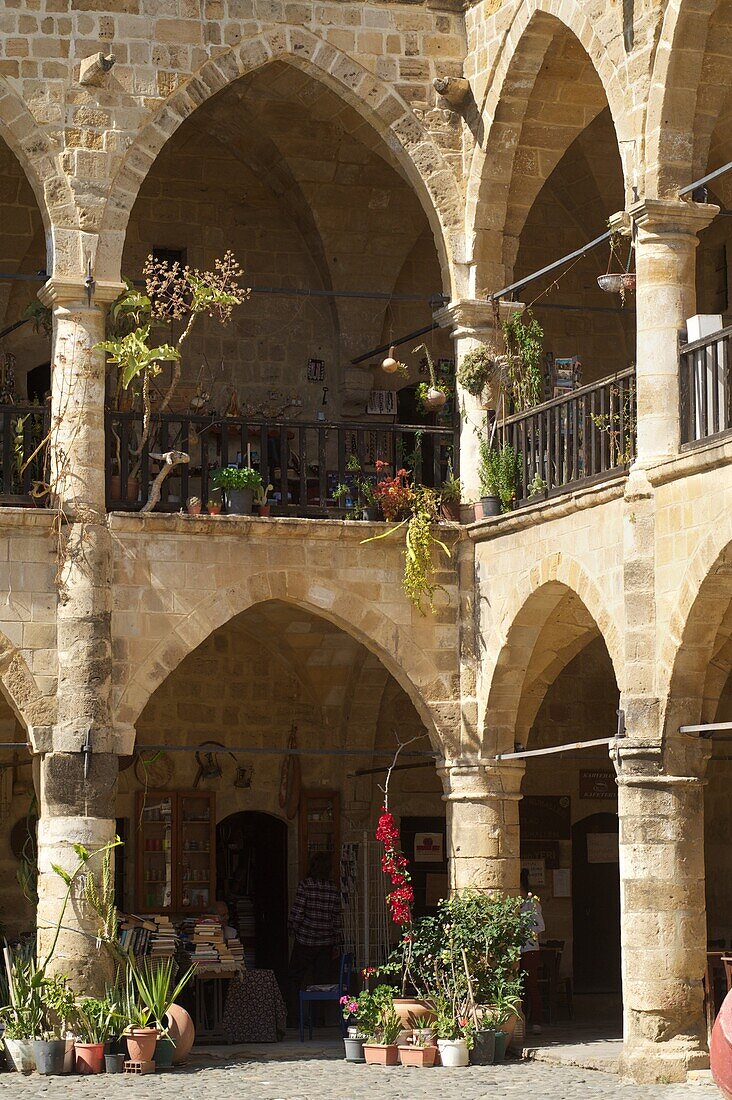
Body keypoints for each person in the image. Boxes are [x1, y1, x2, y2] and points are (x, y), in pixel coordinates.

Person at [287, 852, 342, 1025]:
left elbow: (298, 912)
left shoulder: (306, 885)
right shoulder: (333, 889)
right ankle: (319, 1019)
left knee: (294, 979)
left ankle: (294, 1018)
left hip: (305, 940)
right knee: (321, 982)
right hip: (325, 942)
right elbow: (336, 918)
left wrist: (292, 928)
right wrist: (336, 941)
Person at [520, 868, 546, 1034]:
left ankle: (537, 1021)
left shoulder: (532, 904)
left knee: (531, 985)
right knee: (517, 987)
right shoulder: (515, 903)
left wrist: (524, 931)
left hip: (529, 949)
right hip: (515, 950)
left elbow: (541, 926)